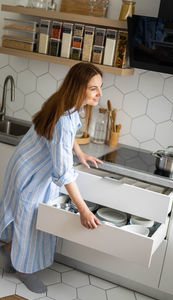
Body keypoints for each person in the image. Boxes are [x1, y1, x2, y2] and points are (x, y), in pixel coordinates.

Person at [0, 62, 103, 293]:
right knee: (29, 220)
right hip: (30, 172)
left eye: (100, 87)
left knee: (32, 217)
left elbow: (70, 134)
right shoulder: (64, 118)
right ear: (79, 88)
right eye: (94, 88)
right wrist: (83, 210)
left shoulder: (67, 103)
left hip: (30, 165)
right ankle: (24, 269)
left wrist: (80, 152)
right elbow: (64, 172)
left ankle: (9, 249)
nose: (100, 93)